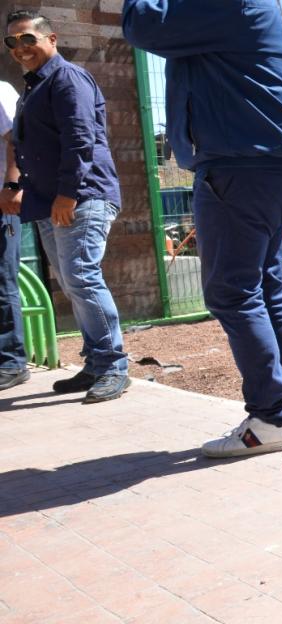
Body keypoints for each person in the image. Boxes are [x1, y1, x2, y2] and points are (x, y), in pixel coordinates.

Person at [123, 0, 282, 457]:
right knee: (265, 291)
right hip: (263, 164)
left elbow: (143, 25)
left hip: (239, 165)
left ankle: (272, 414)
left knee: (233, 293)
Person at [5, 10, 130, 403]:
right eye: (13, 43)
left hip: (80, 197)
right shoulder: (34, 86)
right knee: (72, 281)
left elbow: (81, 139)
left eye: (28, 39)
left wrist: (68, 194)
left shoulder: (66, 78)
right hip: (48, 201)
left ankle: (113, 366)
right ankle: (95, 362)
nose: (20, 49)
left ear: (51, 38)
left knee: (81, 276)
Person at [0, 78, 27, 392]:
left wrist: (11, 186)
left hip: (2, 202)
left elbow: (17, 141)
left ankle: (12, 362)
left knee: (2, 280)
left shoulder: (1, 92)